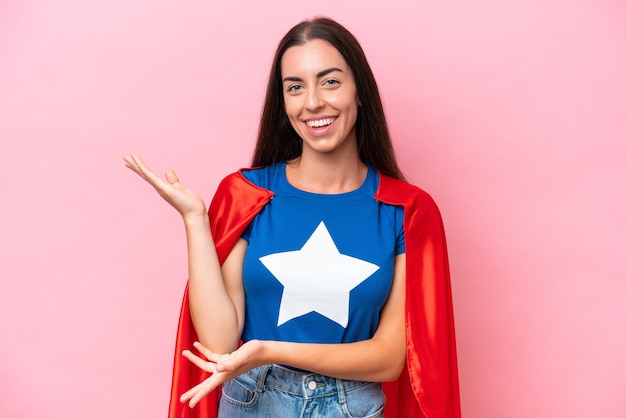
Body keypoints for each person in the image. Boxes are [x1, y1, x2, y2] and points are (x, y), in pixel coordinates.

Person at [124, 17, 460, 418]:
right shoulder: (246, 195)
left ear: (360, 91)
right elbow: (218, 341)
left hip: (350, 409)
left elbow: (390, 358)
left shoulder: (406, 209)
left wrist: (271, 350)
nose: (313, 102)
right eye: (295, 87)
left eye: (330, 81)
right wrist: (195, 220)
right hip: (250, 403)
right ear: (283, 104)